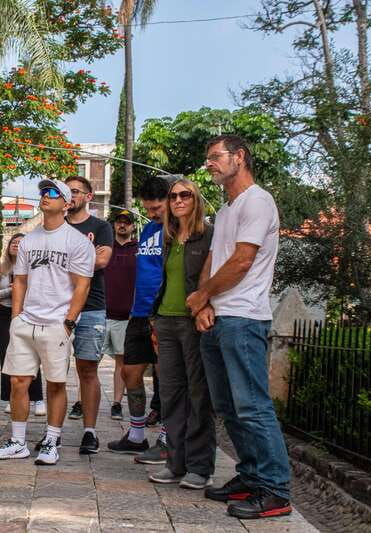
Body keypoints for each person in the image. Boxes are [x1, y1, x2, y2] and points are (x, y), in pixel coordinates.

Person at [187, 135, 291, 519]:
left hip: (244, 316)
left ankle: (276, 490)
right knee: (230, 408)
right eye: (208, 158)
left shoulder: (258, 201)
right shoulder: (229, 209)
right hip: (218, 315)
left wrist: (203, 297)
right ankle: (251, 477)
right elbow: (215, 259)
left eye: (215, 157)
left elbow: (243, 261)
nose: (209, 164)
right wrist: (203, 302)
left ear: (239, 157)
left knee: (253, 407)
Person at [0, 179, 94, 466]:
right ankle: (19, 441)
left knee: (55, 383)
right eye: (43, 193)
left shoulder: (76, 241)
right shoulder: (29, 239)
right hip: (27, 322)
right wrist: (18, 317)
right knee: (18, 382)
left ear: (66, 203)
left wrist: (69, 322)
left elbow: (82, 286)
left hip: (56, 323)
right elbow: (20, 280)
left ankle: (51, 440)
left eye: (51, 193)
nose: (45, 197)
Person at [147, 178, 216, 490]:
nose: (177, 200)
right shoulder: (169, 235)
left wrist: (206, 305)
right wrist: (154, 319)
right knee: (171, 395)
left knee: (198, 395)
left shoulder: (209, 235)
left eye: (184, 194)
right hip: (165, 320)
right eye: (173, 196)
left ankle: (199, 467)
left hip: (192, 322)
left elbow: (212, 278)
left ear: (195, 198)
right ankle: (175, 463)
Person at [107, 176, 169, 464]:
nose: (153, 213)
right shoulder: (149, 231)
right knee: (130, 373)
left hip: (164, 315)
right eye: (149, 208)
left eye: (157, 207)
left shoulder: (179, 232)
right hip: (139, 313)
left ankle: (168, 438)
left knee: (167, 379)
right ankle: (136, 435)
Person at [63, 176, 113, 454]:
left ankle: (90, 432)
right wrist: (85, 257)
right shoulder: (55, 226)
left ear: (88, 196)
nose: (70, 196)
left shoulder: (101, 227)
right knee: (56, 370)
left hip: (92, 307)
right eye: (66, 192)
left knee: (87, 369)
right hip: (57, 306)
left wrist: (64, 261)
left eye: (75, 191)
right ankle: (53, 431)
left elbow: (102, 260)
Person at [0, 233, 46, 417]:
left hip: (27, 312)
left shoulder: (33, 267)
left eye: (20, 242)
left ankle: (38, 399)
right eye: (13, 242)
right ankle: (11, 398)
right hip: (4, 313)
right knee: (6, 356)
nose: (16, 245)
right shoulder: (2, 269)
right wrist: (12, 289)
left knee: (31, 356)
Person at [102, 209, 137, 421]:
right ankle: (79, 401)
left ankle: (117, 403)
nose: (122, 225)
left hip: (126, 316)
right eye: (119, 222)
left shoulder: (139, 249)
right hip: (101, 313)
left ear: (132, 226)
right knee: (88, 361)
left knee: (121, 362)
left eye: (126, 222)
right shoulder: (105, 249)